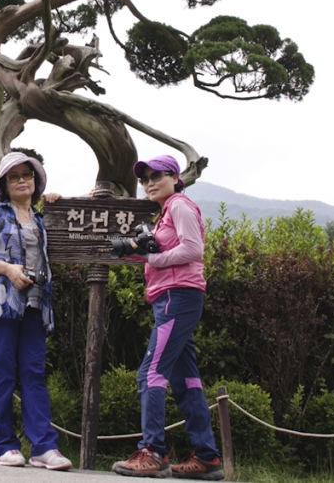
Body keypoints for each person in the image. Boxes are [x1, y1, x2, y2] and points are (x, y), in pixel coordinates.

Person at [112, 154, 223, 480]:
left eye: (157, 176)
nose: (149, 183)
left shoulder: (179, 205)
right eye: (145, 179)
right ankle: (207, 458)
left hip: (178, 297)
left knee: (150, 373)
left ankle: (153, 453)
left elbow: (193, 249)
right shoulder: (165, 214)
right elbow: (163, 253)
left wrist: (152, 258)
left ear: (176, 178)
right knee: (185, 380)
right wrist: (135, 250)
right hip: (173, 298)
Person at [0, 151, 72, 471]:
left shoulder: (42, 217)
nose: (22, 180)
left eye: (27, 175)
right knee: (2, 372)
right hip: (0, 304)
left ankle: (44, 447)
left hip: (35, 305)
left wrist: (61, 203)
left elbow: (78, 224)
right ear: (4, 184)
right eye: (14, 176)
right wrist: (8, 270)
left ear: (36, 180)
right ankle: (6, 446)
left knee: (34, 373)